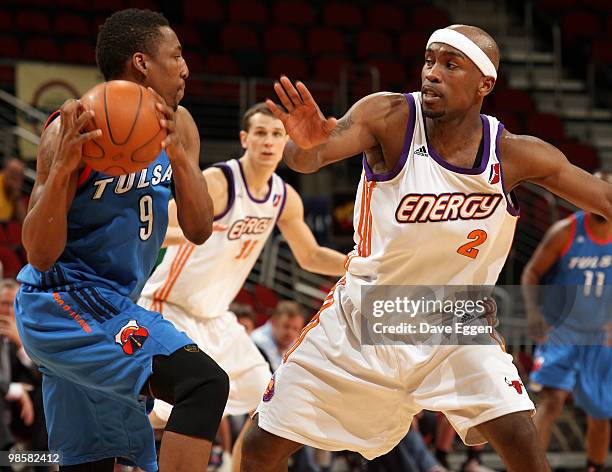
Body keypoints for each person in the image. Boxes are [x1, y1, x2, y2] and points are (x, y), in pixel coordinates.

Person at [240, 24, 612, 472]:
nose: (431, 73)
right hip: (365, 317)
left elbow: (605, 201)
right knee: (261, 446)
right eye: (429, 61)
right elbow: (313, 155)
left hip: (454, 322)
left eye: (449, 65)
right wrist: (304, 146)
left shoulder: (514, 154)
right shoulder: (389, 117)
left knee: (518, 434)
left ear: (484, 85)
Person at [14, 9, 229, 472]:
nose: (186, 67)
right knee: (203, 383)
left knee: (93, 461)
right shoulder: (74, 126)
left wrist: (182, 161)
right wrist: (64, 172)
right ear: (141, 63)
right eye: (176, 55)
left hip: (112, 304)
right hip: (61, 301)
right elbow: (38, 252)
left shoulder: (181, 124)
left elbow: (198, 229)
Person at [139, 102, 345, 470]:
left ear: (286, 143)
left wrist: (356, 263)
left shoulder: (284, 197)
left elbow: (310, 256)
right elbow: (161, 229)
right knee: (164, 413)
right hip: (169, 307)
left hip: (216, 318)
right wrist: (193, 233)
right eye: (261, 133)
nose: (269, 141)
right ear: (245, 139)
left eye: (277, 134)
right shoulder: (219, 182)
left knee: (268, 404)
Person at [521, 171, 612, 472]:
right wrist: (534, 313)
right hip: (562, 330)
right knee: (552, 400)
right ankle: (529, 467)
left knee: (600, 412)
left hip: (599, 335)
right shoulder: (566, 231)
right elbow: (531, 272)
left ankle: (594, 467)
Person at [251, 301, 306, 371]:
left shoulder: (299, 346)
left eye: (295, 329)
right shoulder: (256, 342)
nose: (290, 333)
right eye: (286, 326)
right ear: (274, 322)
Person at [0, 157, 27, 223]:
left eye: (19, 175)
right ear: (4, 170)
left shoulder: (14, 192)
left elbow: (23, 220)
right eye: (12, 173)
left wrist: (16, 195)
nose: (14, 178)